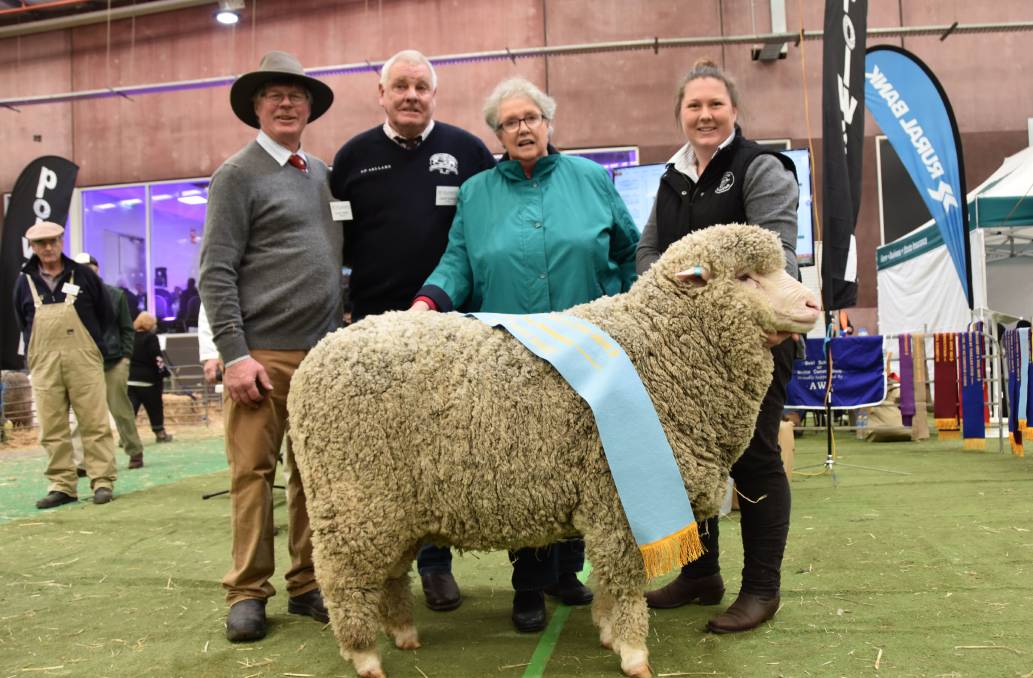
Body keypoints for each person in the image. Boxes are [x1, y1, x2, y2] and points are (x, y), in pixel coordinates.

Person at [412, 76, 640, 632]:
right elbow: (459, 262)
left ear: (548, 123)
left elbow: (631, 251)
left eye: (530, 118)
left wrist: (637, 318)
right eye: (509, 122)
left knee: (585, 463)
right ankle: (529, 586)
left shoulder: (592, 179)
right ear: (498, 134)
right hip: (517, 355)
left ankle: (567, 572)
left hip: (589, 348)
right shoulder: (477, 192)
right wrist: (426, 301)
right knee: (528, 469)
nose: (522, 128)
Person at [328, 48, 497, 612]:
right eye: (399, 86)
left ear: (434, 95)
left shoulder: (468, 151)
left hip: (454, 328)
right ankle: (402, 560)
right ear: (381, 93)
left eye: (420, 87)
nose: (410, 96)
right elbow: (339, 247)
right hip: (379, 328)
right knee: (392, 451)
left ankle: (439, 559)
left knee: (449, 445)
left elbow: (486, 228)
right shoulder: (352, 159)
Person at [636, 58, 800, 634]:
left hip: (757, 342)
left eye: (715, 105)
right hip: (688, 352)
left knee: (753, 455)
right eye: (693, 106)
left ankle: (762, 589)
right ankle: (700, 573)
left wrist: (692, 282)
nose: (704, 115)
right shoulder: (671, 177)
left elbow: (772, 252)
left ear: (734, 111)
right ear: (680, 114)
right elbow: (650, 252)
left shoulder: (761, 167)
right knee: (686, 457)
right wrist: (666, 292)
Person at [199, 50, 343, 643]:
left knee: (313, 474)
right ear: (256, 108)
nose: (286, 103)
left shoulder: (322, 173)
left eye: (296, 95)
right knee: (253, 474)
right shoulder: (237, 175)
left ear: (309, 107)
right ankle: (247, 592)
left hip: (323, 353)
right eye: (274, 95)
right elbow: (215, 271)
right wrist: (234, 353)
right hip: (262, 355)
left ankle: (308, 583)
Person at [13, 221, 118, 508]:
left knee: (94, 422)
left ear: (61, 241)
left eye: (53, 241)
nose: (48, 248)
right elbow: (22, 321)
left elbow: (106, 314)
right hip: (44, 360)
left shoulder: (83, 275)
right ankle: (62, 485)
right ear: (32, 247)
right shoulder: (25, 281)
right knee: (52, 425)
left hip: (83, 357)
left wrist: (95, 344)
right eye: (41, 243)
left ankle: (102, 480)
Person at [72, 252, 146, 469]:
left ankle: (134, 451)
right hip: (83, 362)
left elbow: (126, 328)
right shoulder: (69, 297)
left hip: (113, 361)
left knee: (120, 409)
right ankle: (82, 463)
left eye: (90, 268)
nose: (87, 272)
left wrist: (125, 357)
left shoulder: (116, 295)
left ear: (97, 269)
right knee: (80, 414)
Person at [127, 312, 173, 443]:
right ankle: (160, 433)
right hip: (148, 381)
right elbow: (157, 358)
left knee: (130, 410)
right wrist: (164, 372)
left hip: (130, 379)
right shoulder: (150, 338)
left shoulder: (130, 336)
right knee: (155, 408)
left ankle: (126, 437)